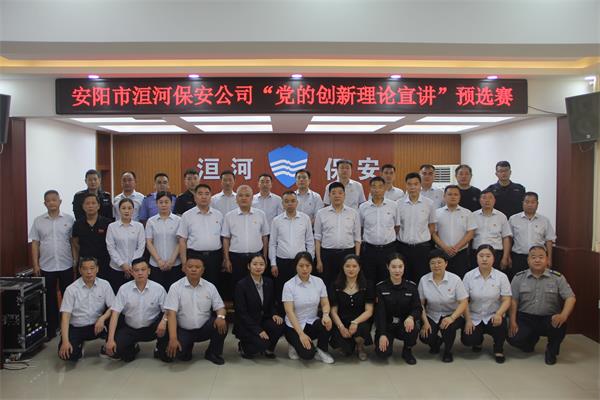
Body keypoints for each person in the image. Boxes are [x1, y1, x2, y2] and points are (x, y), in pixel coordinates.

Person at [508, 246, 576, 365]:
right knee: (513, 338)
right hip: (526, 318)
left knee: (560, 324)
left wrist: (563, 315)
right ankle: (530, 341)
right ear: (528, 260)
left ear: (547, 260)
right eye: (533, 257)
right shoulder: (519, 277)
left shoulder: (557, 278)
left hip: (548, 318)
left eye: (541, 257)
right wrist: (512, 321)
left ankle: (551, 351)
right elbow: (513, 300)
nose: (537, 260)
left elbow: (570, 298)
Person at [156, 257, 228, 364]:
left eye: (197, 267)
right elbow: (171, 314)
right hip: (184, 330)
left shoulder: (210, 287)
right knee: (176, 356)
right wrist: (173, 339)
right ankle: (185, 348)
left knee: (222, 323)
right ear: (184, 268)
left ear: (203, 270)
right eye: (190, 267)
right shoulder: (175, 287)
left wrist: (221, 317)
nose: (193, 269)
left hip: (204, 328)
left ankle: (212, 353)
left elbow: (220, 307)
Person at [30, 190, 76, 339]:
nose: (51, 203)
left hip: (66, 264)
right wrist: (35, 265)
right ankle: (52, 329)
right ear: (45, 203)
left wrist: (75, 261)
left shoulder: (69, 219)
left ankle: (70, 327)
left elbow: (73, 242)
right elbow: (35, 243)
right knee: (49, 298)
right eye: (48, 200)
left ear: (60, 201)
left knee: (68, 296)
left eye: (54, 200)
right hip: (46, 265)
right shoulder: (38, 221)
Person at [103, 258, 167, 362]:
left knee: (167, 353)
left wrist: (164, 322)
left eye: (143, 269)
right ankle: (133, 347)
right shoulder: (124, 289)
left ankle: (159, 348)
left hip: (152, 328)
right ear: (132, 272)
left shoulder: (158, 289)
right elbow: (115, 314)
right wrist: (110, 340)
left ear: (149, 271)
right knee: (118, 352)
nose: (140, 273)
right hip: (130, 329)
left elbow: (168, 310)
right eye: (136, 270)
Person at [461, 245, 512, 363]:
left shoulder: (501, 277)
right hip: (474, 316)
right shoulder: (469, 276)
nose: (484, 259)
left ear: (494, 258)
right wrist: (468, 320)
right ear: (476, 258)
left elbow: (507, 299)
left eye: (488, 256)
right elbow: (464, 301)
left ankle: (498, 349)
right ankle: (478, 341)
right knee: (468, 339)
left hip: (493, 315)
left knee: (500, 325)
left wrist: (499, 314)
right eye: (481, 256)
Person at [58, 257, 114, 361]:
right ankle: (79, 345)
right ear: (80, 270)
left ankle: (106, 346)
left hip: (97, 326)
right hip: (77, 327)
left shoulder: (105, 285)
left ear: (97, 269)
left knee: (117, 317)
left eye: (92, 268)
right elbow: (65, 317)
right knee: (68, 355)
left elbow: (113, 307)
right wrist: (65, 342)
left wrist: (102, 318)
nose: (89, 272)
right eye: (85, 269)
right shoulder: (71, 289)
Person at [282, 252, 334, 363]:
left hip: (311, 322)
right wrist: (301, 334)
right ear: (296, 266)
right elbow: (289, 311)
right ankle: (293, 344)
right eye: (301, 266)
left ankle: (321, 350)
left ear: (312, 266)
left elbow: (325, 303)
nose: (305, 269)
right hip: (294, 326)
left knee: (327, 323)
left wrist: (326, 315)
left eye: (308, 265)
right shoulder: (289, 285)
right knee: (307, 355)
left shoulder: (318, 282)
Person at [419, 249, 468, 362]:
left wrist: (452, 318)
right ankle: (436, 342)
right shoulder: (424, 280)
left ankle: (448, 351)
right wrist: (425, 322)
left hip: (452, 314)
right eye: (433, 263)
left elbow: (464, 302)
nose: (436, 266)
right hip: (432, 314)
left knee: (448, 327)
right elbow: (420, 304)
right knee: (425, 335)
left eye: (439, 262)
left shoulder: (455, 279)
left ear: (446, 263)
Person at [233, 254, 284, 359]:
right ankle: (243, 346)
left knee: (279, 324)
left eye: (261, 264)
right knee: (261, 344)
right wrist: (258, 330)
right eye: (255, 264)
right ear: (249, 266)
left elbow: (271, 303)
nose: (258, 267)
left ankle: (269, 349)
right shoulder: (241, 285)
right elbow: (241, 313)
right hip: (247, 324)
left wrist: (274, 314)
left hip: (262, 319)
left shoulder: (269, 282)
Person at [374, 254, 421, 364]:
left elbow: (418, 308)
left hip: (404, 324)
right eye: (394, 267)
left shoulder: (411, 287)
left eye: (400, 266)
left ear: (404, 267)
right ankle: (385, 340)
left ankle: (407, 350)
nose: (397, 270)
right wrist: (382, 334)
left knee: (413, 328)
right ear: (388, 267)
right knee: (383, 354)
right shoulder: (380, 287)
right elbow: (380, 313)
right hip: (387, 325)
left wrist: (411, 317)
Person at [269, 191, 314, 302]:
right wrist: (273, 264)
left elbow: (310, 241)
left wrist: (310, 261)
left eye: (293, 201)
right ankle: (282, 312)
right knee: (282, 291)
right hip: (282, 262)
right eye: (286, 201)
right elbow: (272, 243)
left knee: (301, 290)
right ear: (283, 204)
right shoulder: (276, 220)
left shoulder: (305, 218)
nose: (290, 203)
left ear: (297, 203)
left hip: (301, 262)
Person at [314, 182, 361, 288]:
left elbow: (357, 238)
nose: (337, 196)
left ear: (344, 195)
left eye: (340, 193)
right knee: (328, 284)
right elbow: (317, 239)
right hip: (327, 255)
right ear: (329, 195)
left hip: (348, 254)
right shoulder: (321, 213)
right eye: (333, 193)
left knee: (346, 284)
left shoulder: (353, 213)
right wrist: (319, 260)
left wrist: (356, 259)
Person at [177, 183, 224, 289]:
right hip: (194, 256)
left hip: (214, 258)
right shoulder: (187, 215)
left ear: (210, 197)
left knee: (214, 286)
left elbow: (223, 238)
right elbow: (182, 240)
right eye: (200, 194)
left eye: (207, 194)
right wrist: (184, 262)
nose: (204, 196)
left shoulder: (219, 215)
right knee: (194, 286)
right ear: (195, 197)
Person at [222, 185, 270, 287]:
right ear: (236, 199)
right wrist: (226, 259)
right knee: (236, 286)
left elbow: (265, 237)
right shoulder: (229, 216)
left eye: (247, 195)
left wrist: (265, 257)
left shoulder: (261, 214)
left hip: (256, 257)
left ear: (252, 198)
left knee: (255, 286)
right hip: (236, 258)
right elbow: (226, 239)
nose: (244, 198)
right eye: (240, 195)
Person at [329, 255, 374, 361]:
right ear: (343, 267)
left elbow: (369, 311)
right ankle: (349, 344)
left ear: (359, 267)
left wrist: (355, 322)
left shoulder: (367, 284)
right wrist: (341, 327)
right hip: (342, 321)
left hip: (360, 321)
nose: (351, 269)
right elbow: (333, 311)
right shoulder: (335, 285)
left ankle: (360, 347)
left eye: (354, 266)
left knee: (362, 329)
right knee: (347, 351)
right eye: (347, 266)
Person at [396, 172, 436, 283]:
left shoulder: (429, 203)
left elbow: (432, 226)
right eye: (409, 184)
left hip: (422, 249)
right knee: (404, 278)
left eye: (416, 184)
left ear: (420, 185)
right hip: (403, 247)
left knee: (422, 278)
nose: (412, 187)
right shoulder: (398, 204)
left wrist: (422, 237)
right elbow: (397, 226)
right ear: (406, 185)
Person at [508, 192, 556, 280]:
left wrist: (549, 258)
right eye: (527, 202)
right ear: (522, 203)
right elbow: (509, 239)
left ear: (537, 204)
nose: (530, 205)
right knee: (518, 281)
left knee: (539, 282)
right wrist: (508, 256)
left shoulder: (544, 220)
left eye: (533, 202)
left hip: (538, 258)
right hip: (519, 258)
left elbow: (549, 240)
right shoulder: (513, 219)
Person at [359, 176, 398, 284]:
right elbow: (361, 228)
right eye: (374, 186)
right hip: (369, 250)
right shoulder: (363, 207)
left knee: (387, 279)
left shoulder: (393, 206)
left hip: (388, 249)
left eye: (380, 186)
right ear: (370, 189)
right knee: (369, 279)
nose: (377, 190)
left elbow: (397, 227)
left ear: (384, 188)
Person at [432, 185, 477, 278]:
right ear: (444, 196)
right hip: (441, 253)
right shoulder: (436, 213)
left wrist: (457, 247)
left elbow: (471, 233)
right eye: (450, 194)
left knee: (460, 278)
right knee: (441, 278)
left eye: (456, 194)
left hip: (461, 253)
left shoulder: (467, 213)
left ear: (460, 197)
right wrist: (445, 247)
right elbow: (433, 233)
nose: (453, 197)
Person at [106, 198, 145, 293]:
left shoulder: (139, 226)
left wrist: (131, 265)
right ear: (119, 210)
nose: (126, 211)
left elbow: (141, 247)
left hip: (135, 270)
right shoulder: (112, 227)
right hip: (116, 268)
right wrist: (122, 264)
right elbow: (111, 247)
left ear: (133, 210)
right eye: (123, 208)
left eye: (129, 208)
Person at [146, 191, 182, 291]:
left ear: (171, 203)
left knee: (174, 292)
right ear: (156, 203)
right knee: (157, 293)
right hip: (156, 265)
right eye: (161, 202)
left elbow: (180, 242)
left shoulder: (179, 220)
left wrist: (172, 261)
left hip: (175, 264)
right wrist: (159, 260)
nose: (163, 205)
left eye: (166, 202)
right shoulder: (151, 221)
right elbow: (149, 242)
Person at [72, 193, 112, 280]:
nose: (90, 206)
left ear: (98, 206)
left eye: (93, 203)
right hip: (85, 263)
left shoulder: (108, 223)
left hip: (104, 263)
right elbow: (75, 244)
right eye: (87, 203)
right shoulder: (77, 224)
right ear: (83, 206)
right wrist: (76, 261)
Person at [471, 190, 512, 270]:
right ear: (480, 200)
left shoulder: (501, 216)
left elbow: (506, 238)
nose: (487, 200)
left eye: (490, 198)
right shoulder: (473, 216)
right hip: (477, 253)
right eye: (484, 198)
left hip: (496, 254)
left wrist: (505, 257)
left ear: (494, 200)